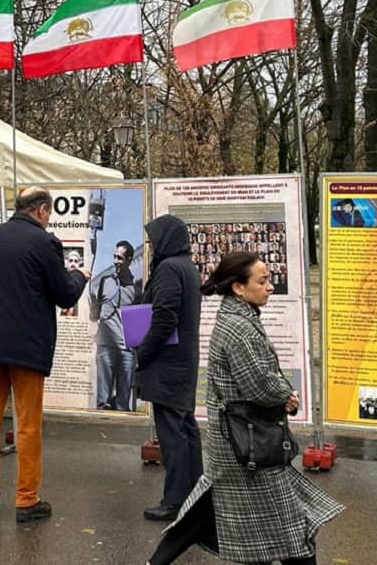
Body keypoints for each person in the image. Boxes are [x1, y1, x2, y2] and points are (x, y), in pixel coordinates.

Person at [148, 252, 343, 565]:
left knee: (207, 513)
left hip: (241, 443)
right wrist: (286, 396)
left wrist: (281, 395)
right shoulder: (239, 328)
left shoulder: (238, 318)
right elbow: (258, 385)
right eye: (262, 281)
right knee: (295, 531)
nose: (269, 287)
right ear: (239, 288)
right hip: (246, 446)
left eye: (269, 280)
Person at [0, 187, 91, 523]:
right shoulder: (44, 243)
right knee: (28, 425)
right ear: (43, 211)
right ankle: (26, 501)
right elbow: (64, 295)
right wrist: (79, 275)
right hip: (27, 349)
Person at [134, 215, 203, 522]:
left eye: (153, 241)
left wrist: (143, 352)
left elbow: (164, 317)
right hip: (182, 362)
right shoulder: (188, 267)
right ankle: (195, 496)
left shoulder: (168, 269)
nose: (150, 247)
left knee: (173, 436)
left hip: (167, 365)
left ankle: (174, 501)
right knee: (186, 431)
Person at [92, 240, 142, 411]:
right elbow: (95, 315)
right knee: (102, 402)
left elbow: (138, 323)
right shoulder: (105, 281)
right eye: (114, 256)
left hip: (126, 350)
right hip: (105, 346)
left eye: (120, 258)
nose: (115, 261)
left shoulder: (136, 288)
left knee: (122, 404)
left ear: (128, 260)